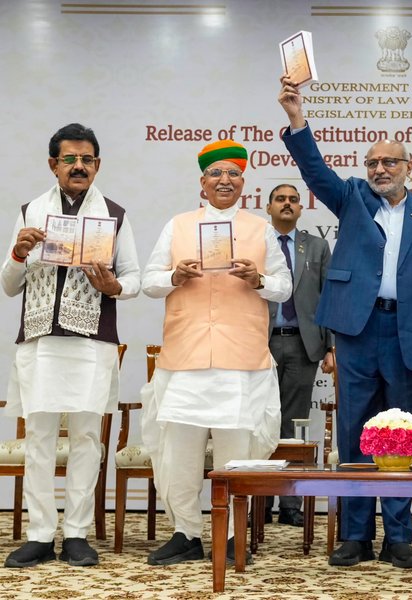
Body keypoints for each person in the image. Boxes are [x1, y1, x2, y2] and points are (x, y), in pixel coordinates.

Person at [278, 74, 412, 569]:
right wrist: (298, 118)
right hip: (358, 331)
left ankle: (398, 536)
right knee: (357, 431)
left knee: (402, 433)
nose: (380, 169)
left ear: (409, 167)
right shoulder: (353, 198)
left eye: (389, 162)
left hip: (409, 333)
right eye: (373, 162)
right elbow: (315, 171)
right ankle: (355, 534)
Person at [141, 140, 291, 565]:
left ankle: (230, 536)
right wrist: (176, 274)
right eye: (216, 174)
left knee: (235, 456)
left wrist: (257, 278)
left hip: (239, 360)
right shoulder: (178, 225)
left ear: (243, 182)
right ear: (202, 182)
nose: (225, 180)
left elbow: (285, 287)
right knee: (180, 454)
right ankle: (186, 533)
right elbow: (151, 281)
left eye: (233, 174)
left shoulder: (260, 228)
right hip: (185, 357)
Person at [2, 123, 141, 568]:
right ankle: (41, 534)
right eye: (70, 159)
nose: (79, 166)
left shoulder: (115, 215)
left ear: (97, 165)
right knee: (39, 439)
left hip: (91, 342)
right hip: (41, 341)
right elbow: (8, 285)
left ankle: (78, 532)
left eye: (87, 160)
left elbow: (134, 279)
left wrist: (114, 285)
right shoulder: (30, 212)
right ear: (53, 165)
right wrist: (18, 255)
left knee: (86, 438)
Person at [264, 183, 334, 526]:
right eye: (281, 199)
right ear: (268, 207)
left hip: (302, 344)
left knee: (293, 424)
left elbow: (330, 297)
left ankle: (290, 505)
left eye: (293, 200)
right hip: (259, 343)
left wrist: (331, 346)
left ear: (301, 209)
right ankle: (258, 503)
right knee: (260, 423)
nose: (287, 204)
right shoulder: (256, 243)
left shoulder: (317, 246)